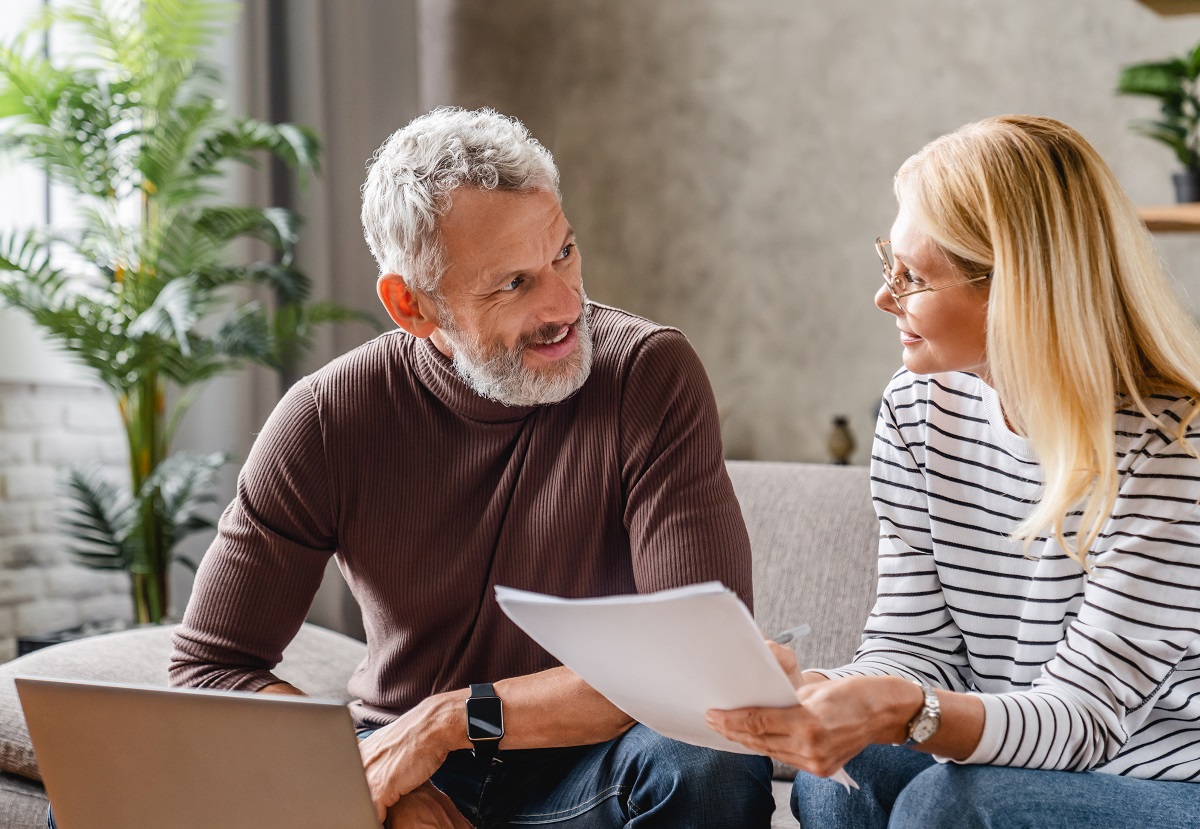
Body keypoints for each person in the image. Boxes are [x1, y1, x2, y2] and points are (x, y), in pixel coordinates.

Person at [168, 107, 774, 828]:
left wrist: (448, 720)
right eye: (513, 284)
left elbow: (702, 665)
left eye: (564, 254)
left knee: (710, 760)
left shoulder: (648, 372)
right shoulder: (327, 417)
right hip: (392, 754)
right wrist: (373, 777)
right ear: (411, 306)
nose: (563, 305)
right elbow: (212, 669)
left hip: (584, 768)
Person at [707, 115, 1200, 829]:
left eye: (913, 277)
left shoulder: (1172, 445)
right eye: (889, 264)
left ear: (1016, 292)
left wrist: (907, 711)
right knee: (841, 780)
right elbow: (913, 647)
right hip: (1022, 755)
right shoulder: (916, 408)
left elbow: (1086, 718)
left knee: (951, 806)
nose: (885, 298)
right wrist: (814, 692)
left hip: (1162, 781)